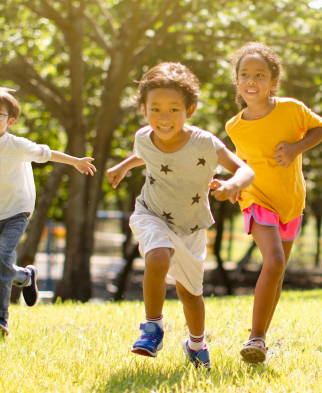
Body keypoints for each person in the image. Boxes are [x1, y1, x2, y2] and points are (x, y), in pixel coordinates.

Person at [106, 62, 255, 369]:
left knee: (190, 295)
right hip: (152, 212)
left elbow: (245, 169)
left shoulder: (204, 142)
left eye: (174, 110)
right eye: (155, 109)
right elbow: (145, 155)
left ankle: (196, 344)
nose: (164, 118)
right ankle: (152, 328)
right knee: (157, 257)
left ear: (190, 109)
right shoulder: (143, 137)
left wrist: (232, 185)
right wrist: (123, 166)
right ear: (143, 109)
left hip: (192, 224)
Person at [0, 86, 96, 337]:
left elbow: (47, 153)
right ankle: (26, 277)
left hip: (17, 209)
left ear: (11, 120)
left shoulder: (17, 145)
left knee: (1, 259)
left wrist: (76, 162)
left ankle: (0, 318)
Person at [223, 42, 322, 363]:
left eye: (259, 74)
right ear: (237, 82)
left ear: (273, 82)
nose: (251, 80)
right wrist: (230, 184)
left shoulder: (291, 109)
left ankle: (260, 341)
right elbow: (238, 162)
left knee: (277, 269)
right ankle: (255, 337)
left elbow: (320, 128)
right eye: (244, 74)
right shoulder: (234, 126)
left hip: (290, 200)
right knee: (274, 261)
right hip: (256, 197)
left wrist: (296, 148)